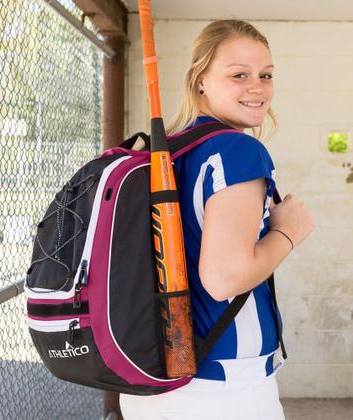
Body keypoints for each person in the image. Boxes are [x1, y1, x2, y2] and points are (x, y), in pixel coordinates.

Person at [120, 19, 314, 420]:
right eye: (238, 75)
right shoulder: (236, 151)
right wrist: (287, 231)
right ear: (200, 81)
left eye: (266, 75)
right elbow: (224, 278)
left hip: (154, 383)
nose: (257, 87)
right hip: (221, 388)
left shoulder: (167, 152)